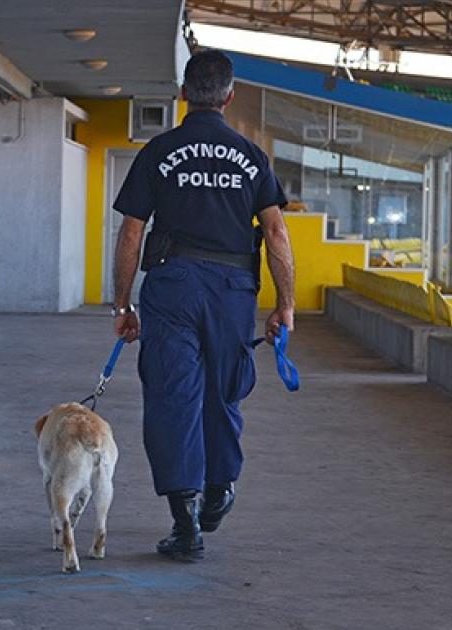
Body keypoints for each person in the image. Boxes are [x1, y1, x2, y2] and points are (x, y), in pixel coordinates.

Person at [109, 49, 295, 561]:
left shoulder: (159, 150)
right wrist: (286, 305)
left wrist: (122, 304)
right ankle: (219, 488)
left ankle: (185, 520)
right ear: (230, 96)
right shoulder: (252, 156)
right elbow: (276, 231)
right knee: (223, 390)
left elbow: (131, 230)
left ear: (184, 94)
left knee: (173, 395)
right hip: (233, 288)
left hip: (172, 284)